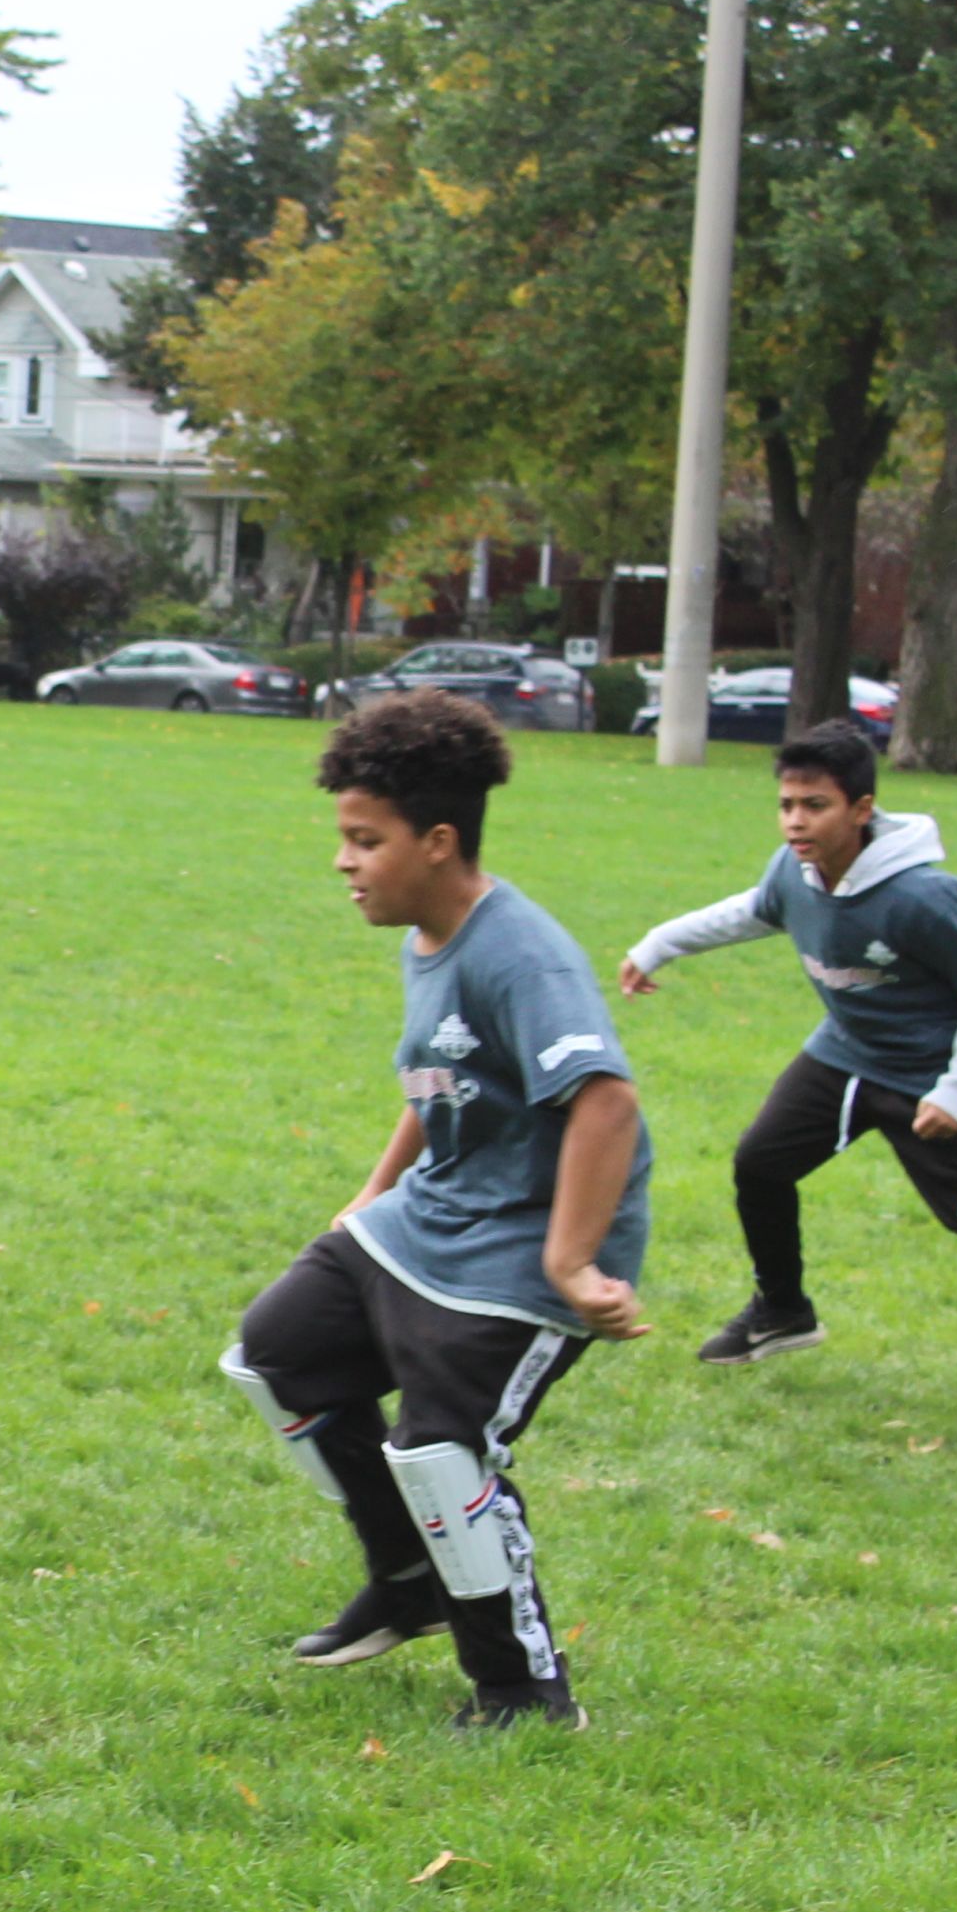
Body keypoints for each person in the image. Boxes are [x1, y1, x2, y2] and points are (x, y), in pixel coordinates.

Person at [223, 692, 650, 1732]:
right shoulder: (427, 932)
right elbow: (439, 1079)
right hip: (430, 1218)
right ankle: (408, 1576)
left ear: (438, 840)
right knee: (275, 1355)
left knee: (440, 1452)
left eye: (365, 841)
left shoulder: (520, 954)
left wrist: (570, 1260)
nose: (344, 862)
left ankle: (521, 1692)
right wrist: (369, 1198)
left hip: (517, 1247)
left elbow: (606, 1100)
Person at [618, 720, 957, 1446]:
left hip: (943, 1082)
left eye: (815, 805)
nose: (796, 820)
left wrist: (956, 1090)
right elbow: (754, 910)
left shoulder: (922, 896)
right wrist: (658, 944)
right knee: (759, 1162)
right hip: (849, 1059)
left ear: (861, 809)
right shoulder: (793, 870)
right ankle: (783, 1310)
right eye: (787, 803)